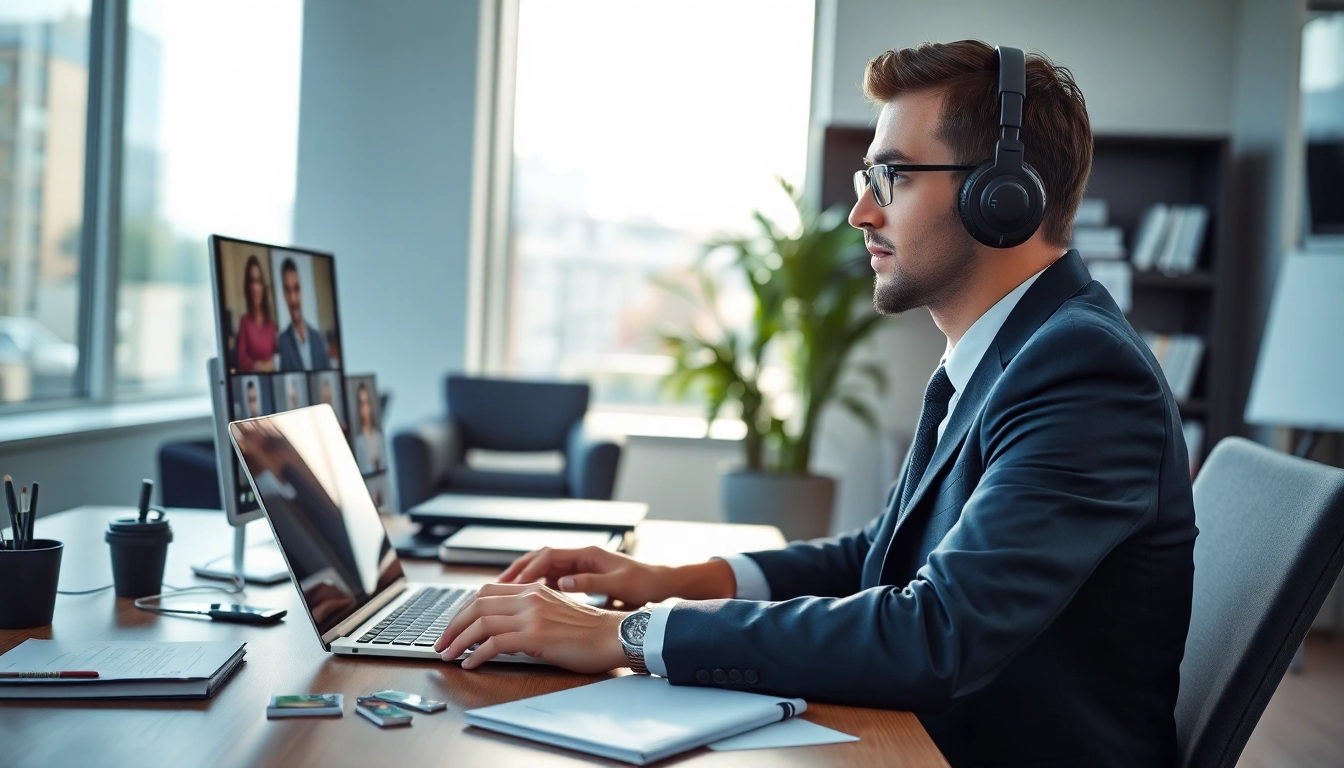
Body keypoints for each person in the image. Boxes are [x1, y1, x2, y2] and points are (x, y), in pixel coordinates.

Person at [432, 41, 1197, 767]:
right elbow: (877, 557)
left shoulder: (1082, 372)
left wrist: (628, 635)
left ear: (1002, 196)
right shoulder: (1009, 353)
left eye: (892, 176)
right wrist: (667, 581)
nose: (862, 211)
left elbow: (937, 633)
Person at [277, 258, 332, 371]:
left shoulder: (318, 338)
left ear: (301, 291)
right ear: (284, 295)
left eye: (296, 289)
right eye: (288, 291)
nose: (293, 299)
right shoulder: (282, 342)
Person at [235, 255, 277, 372]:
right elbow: (242, 360)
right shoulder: (245, 322)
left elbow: (278, 360)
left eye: (258, 281)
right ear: (247, 287)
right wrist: (258, 366)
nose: (255, 288)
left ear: (263, 287)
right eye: (252, 282)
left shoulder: (271, 326)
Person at [352, 381, 385, 474]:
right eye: (362, 404)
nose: (365, 408)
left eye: (367, 403)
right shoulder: (358, 441)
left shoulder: (378, 436)